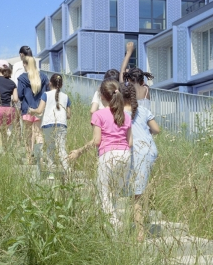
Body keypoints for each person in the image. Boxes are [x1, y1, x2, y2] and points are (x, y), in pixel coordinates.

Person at [69, 80, 132, 227]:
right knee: (114, 195)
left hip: (108, 156)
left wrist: (79, 151)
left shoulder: (99, 115)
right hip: (125, 156)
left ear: (101, 97)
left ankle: (115, 228)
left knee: (104, 195)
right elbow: (130, 142)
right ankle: (110, 224)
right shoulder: (126, 116)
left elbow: (97, 141)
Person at [121, 81, 159, 241]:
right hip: (150, 151)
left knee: (136, 195)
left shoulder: (120, 113)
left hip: (135, 153)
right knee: (141, 191)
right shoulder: (143, 110)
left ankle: (140, 233)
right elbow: (157, 129)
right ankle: (141, 222)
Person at [29, 73, 71, 176]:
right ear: (61, 85)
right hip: (61, 124)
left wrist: (31, 110)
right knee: (61, 148)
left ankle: (51, 173)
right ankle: (68, 170)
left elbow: (39, 110)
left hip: (48, 123)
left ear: (50, 83)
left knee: (50, 147)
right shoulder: (66, 97)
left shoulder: (46, 95)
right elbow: (69, 115)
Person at [17, 56, 49, 163]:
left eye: (23, 64)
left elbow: (20, 95)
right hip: (40, 109)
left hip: (27, 109)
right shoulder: (44, 77)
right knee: (38, 134)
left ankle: (29, 157)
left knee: (28, 135)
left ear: (26, 64)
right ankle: (40, 158)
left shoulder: (22, 78)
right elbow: (47, 93)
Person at [119, 42, 153, 108]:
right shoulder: (146, 89)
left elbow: (122, 70)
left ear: (128, 79)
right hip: (144, 117)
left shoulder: (127, 88)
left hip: (130, 117)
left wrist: (129, 53)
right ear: (142, 79)